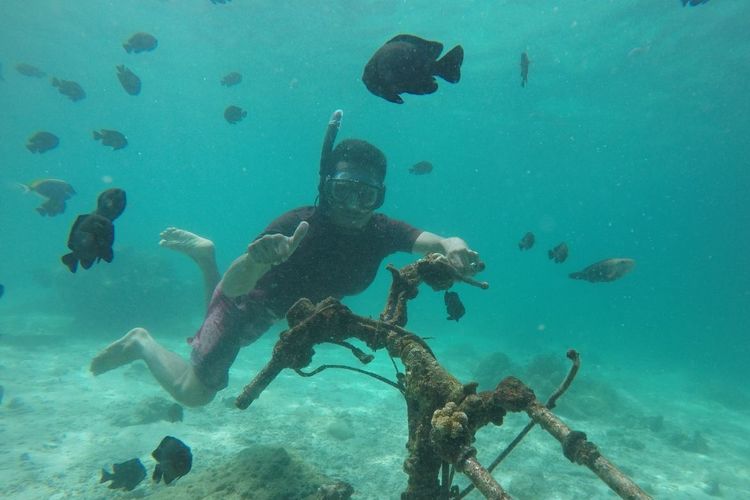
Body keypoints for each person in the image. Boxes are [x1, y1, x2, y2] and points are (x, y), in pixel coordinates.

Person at [90, 110, 482, 407]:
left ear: (379, 196)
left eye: (365, 195)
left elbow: (433, 240)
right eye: (343, 190)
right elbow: (235, 287)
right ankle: (141, 342)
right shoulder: (296, 225)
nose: (353, 205)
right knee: (196, 393)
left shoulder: (381, 230)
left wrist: (452, 244)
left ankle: (203, 257)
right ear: (325, 188)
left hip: (278, 311)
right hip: (247, 305)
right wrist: (259, 260)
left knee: (219, 334)